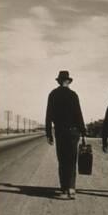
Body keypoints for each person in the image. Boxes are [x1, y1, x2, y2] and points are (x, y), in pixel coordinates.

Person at [45, 70, 86, 200]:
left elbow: (48, 116)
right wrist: (83, 131)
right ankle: (71, 189)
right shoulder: (73, 95)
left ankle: (63, 190)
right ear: (68, 81)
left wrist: (48, 134)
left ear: (59, 81)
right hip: (73, 132)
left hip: (60, 132)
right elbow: (78, 114)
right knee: (72, 160)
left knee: (62, 161)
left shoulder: (53, 94)